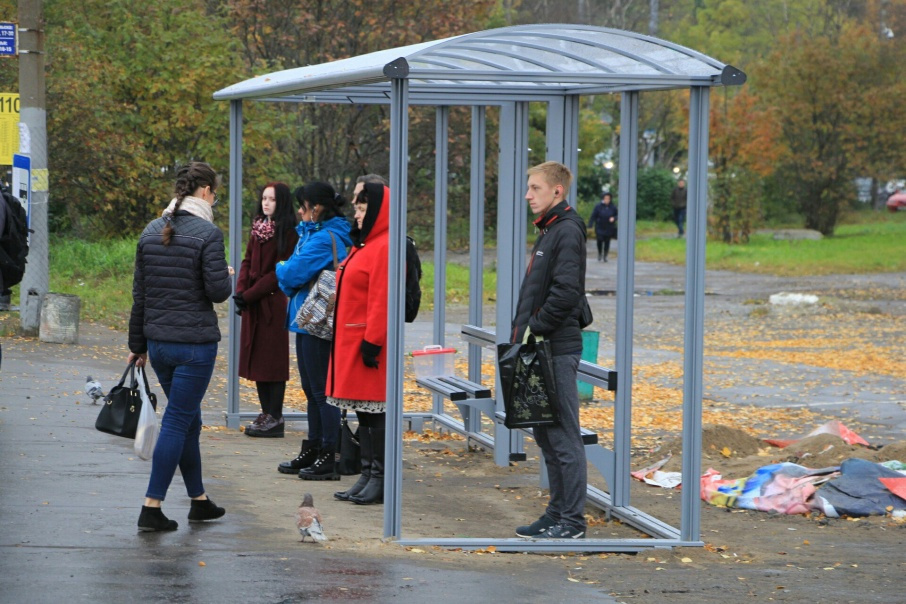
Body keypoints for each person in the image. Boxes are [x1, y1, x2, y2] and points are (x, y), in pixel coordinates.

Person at [128, 161, 232, 532]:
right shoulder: (208, 234)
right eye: (215, 192)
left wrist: (137, 345)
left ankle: (199, 501)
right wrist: (227, 275)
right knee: (177, 419)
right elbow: (219, 291)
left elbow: (140, 295)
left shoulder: (150, 230)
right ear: (204, 191)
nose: (215, 198)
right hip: (194, 347)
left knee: (189, 419)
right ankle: (151, 506)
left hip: (159, 346)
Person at [512, 161, 588, 540]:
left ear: (557, 191)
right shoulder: (551, 230)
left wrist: (533, 329)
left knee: (563, 436)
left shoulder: (567, 230)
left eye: (535, 188)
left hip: (554, 347)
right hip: (543, 347)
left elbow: (566, 293)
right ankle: (556, 513)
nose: (528, 195)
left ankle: (572, 522)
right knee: (546, 434)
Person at [275, 182, 352, 479]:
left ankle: (329, 454)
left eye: (302, 206)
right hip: (305, 320)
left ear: (315, 208)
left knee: (321, 392)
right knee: (311, 391)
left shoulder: (325, 239)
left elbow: (290, 273)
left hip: (317, 322)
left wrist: (282, 268)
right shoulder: (312, 234)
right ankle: (315, 447)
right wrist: (287, 270)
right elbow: (292, 273)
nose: (298, 211)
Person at [327, 178, 390, 505]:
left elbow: (382, 297)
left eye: (363, 207)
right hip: (353, 338)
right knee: (363, 413)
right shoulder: (364, 244)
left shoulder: (383, 246)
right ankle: (367, 474)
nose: (358, 212)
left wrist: (373, 340)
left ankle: (379, 477)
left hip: (368, 344)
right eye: (357, 206)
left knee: (375, 413)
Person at [235, 183, 300, 438]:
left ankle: (275, 414)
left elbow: (278, 272)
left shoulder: (288, 232)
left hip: (271, 302)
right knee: (258, 360)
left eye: (271, 199)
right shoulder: (258, 228)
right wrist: (241, 290)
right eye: (263, 198)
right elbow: (247, 260)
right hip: (252, 302)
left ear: (281, 202)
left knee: (272, 361)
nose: (266, 203)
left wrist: (250, 295)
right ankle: (266, 413)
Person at [587, 192, 617, 262]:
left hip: (609, 227)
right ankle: (600, 253)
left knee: (607, 241)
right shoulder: (598, 206)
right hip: (600, 226)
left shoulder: (613, 207)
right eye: (605, 198)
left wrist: (614, 218)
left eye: (608, 199)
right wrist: (590, 224)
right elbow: (593, 215)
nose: (607, 200)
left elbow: (617, 215)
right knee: (599, 240)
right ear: (603, 199)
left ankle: (605, 255)